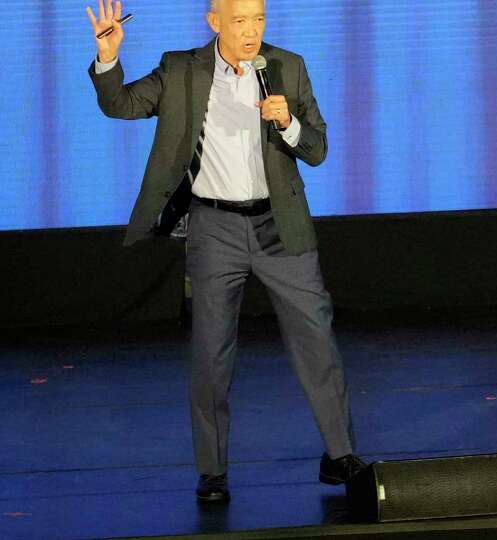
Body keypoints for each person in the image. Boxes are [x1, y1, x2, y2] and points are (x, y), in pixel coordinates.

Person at [86, 0, 365, 504]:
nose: (252, 31)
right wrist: (108, 59)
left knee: (317, 340)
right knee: (211, 353)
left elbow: (318, 148)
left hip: (280, 225)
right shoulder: (180, 69)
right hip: (214, 227)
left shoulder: (287, 67)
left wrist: (289, 125)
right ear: (214, 22)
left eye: (259, 19)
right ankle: (212, 471)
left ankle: (341, 455)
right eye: (240, 21)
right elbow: (120, 105)